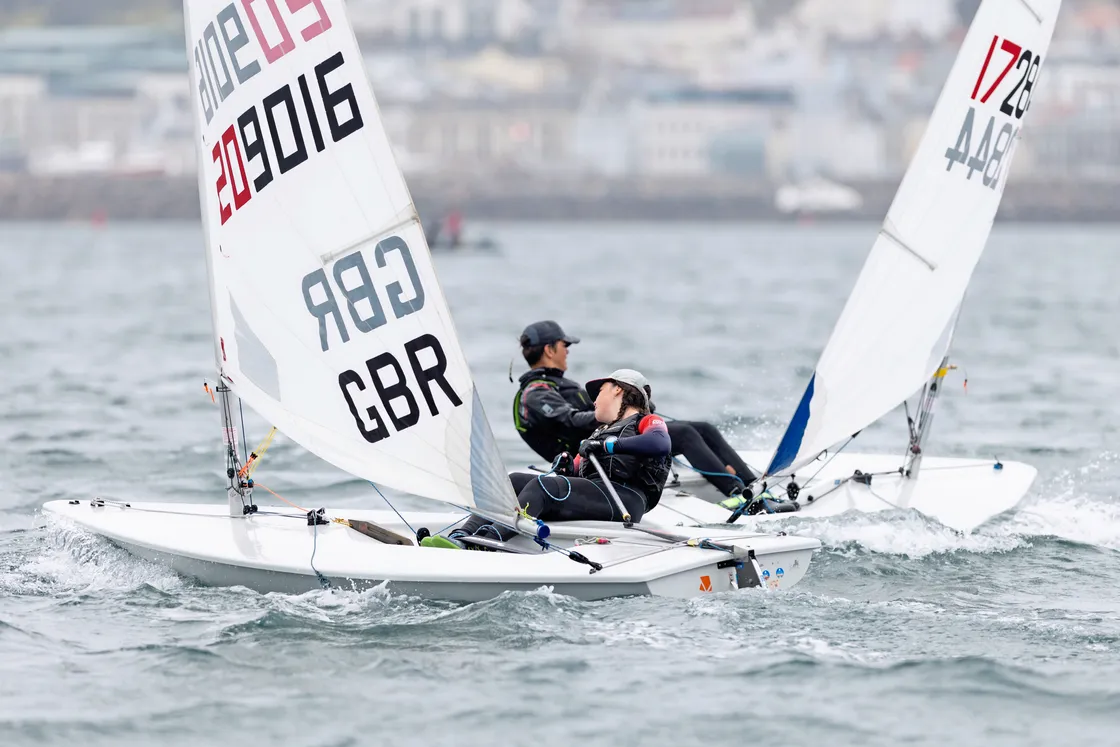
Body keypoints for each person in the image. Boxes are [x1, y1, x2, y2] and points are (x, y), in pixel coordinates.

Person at [422, 369, 671, 548]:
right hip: (600, 494)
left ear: (618, 388)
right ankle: (461, 535)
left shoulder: (647, 421)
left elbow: (660, 443)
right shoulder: (599, 433)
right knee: (514, 480)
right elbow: (575, 475)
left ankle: (487, 542)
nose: (593, 400)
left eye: (600, 391)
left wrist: (607, 445)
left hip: (625, 500)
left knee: (544, 487)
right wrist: (566, 469)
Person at [510, 320, 759, 498]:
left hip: (615, 436)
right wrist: (626, 414)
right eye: (565, 346)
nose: (567, 351)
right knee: (683, 434)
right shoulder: (535, 393)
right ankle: (739, 497)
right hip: (594, 458)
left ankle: (752, 485)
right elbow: (572, 422)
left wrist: (632, 406)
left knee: (703, 428)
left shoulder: (557, 384)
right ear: (549, 350)